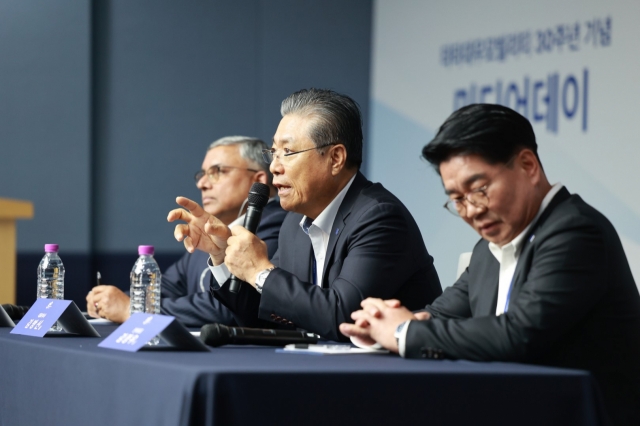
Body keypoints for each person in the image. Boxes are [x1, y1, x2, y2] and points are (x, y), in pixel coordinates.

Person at [340, 103, 640, 425]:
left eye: (479, 190)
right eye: (457, 199)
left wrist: (404, 331)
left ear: (528, 165)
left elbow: (518, 335)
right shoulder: (488, 248)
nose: (470, 210)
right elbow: (441, 314)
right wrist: (381, 325)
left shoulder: (576, 231)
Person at [168, 88, 442, 341]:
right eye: (273, 153)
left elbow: (344, 317)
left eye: (287, 152)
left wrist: (261, 271)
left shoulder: (379, 217)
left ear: (335, 158)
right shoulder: (294, 224)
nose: (275, 166)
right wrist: (221, 256)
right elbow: (263, 315)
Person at [86, 136, 287, 327]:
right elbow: (167, 288)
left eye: (217, 171)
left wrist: (135, 309)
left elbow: (231, 308)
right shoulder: (211, 230)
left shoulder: (277, 226)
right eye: (202, 175)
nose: (202, 184)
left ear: (258, 180)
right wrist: (112, 301)